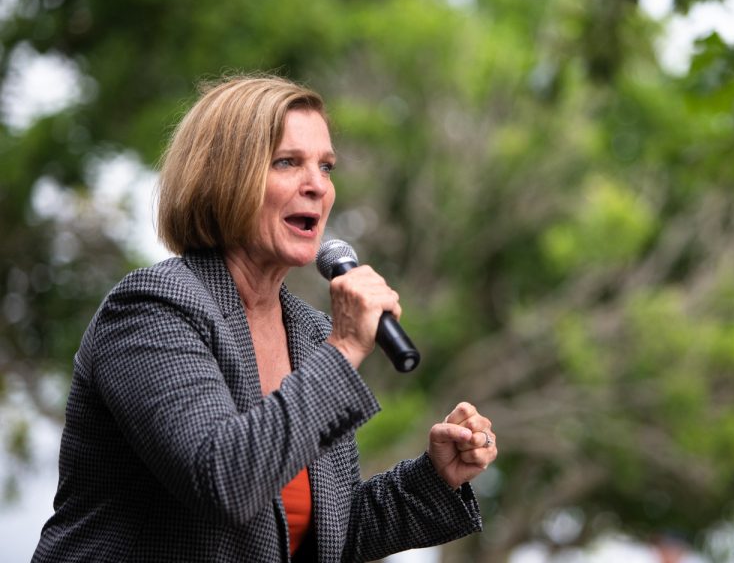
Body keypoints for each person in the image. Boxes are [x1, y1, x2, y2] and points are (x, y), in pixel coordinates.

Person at [32, 74, 497, 562]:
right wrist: (344, 352)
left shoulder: (310, 333)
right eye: (287, 162)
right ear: (225, 177)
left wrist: (435, 478)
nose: (317, 185)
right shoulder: (153, 308)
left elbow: (323, 534)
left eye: (326, 166)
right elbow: (224, 478)